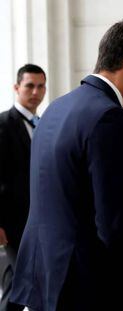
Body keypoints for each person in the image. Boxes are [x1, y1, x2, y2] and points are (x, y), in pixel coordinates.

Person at [10, 18, 123, 311]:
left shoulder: (57, 108)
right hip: (89, 289)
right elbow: (115, 227)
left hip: (46, 280)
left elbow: (63, 206)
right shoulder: (110, 118)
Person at [0, 64, 46, 311]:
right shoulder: (3, 124)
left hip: (39, 219)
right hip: (14, 222)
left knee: (22, 279)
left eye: (41, 86)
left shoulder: (45, 123)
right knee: (22, 279)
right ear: (17, 88)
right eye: (30, 86)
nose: (36, 92)